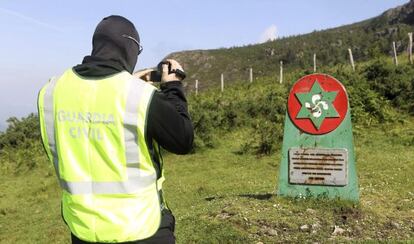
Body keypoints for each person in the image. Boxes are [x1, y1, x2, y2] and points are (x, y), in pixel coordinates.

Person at [37, 15, 193, 244]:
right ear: (130, 47)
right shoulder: (139, 95)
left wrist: (127, 81)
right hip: (141, 228)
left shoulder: (50, 92)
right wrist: (173, 86)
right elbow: (183, 139)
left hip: (83, 229)